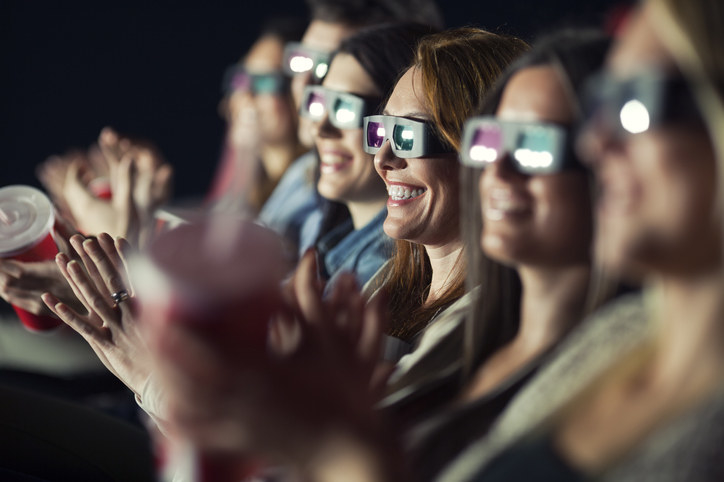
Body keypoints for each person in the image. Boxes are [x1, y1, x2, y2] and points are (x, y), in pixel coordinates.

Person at [440, 0, 724, 480]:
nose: (595, 144)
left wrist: (342, 454)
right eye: (601, 106)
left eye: (634, 105)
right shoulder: (613, 338)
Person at [258, 0, 445, 260]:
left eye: (345, 107)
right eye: (303, 62)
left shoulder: (386, 260)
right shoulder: (305, 173)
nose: (303, 86)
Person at [301, 23, 434, 292]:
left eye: (346, 108)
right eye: (321, 103)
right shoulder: (334, 242)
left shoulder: (378, 271)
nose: (320, 128)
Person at [207, 16, 308, 214]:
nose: (246, 94)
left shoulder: (308, 192)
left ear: (299, 93)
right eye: (241, 78)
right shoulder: (241, 185)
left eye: (265, 81)